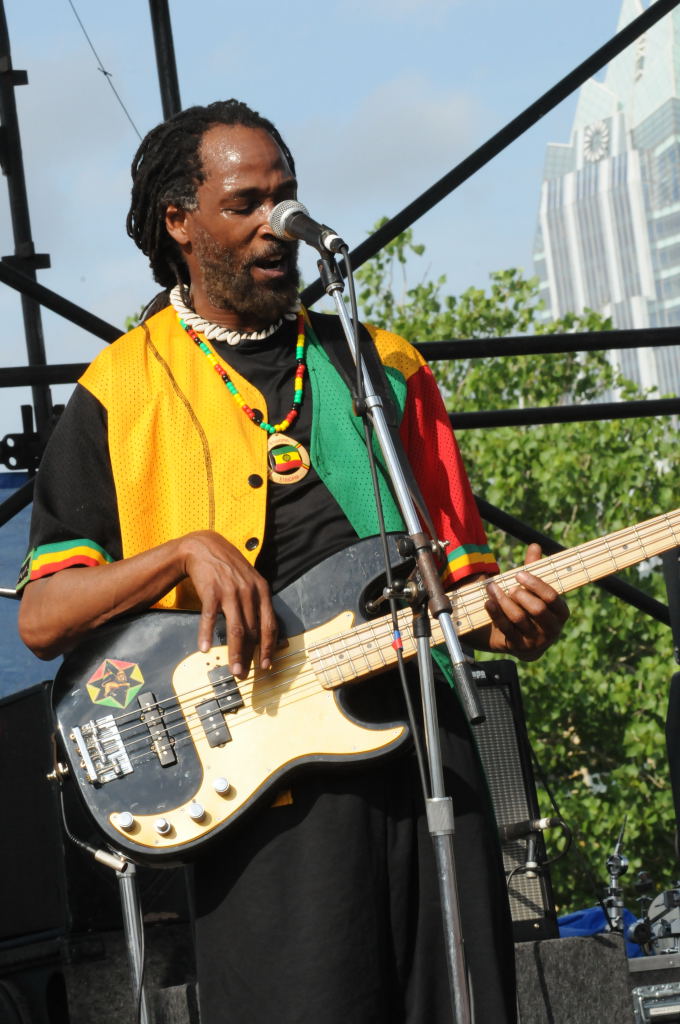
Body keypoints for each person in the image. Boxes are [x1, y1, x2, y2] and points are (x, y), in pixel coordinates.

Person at [17, 99, 568, 1023]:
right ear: (180, 222)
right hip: (261, 788)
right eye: (246, 205)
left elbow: (463, 583)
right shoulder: (119, 394)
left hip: (427, 755)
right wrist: (181, 553)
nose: (278, 225)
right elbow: (43, 618)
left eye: (287, 199)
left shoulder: (385, 368)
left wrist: (517, 619)